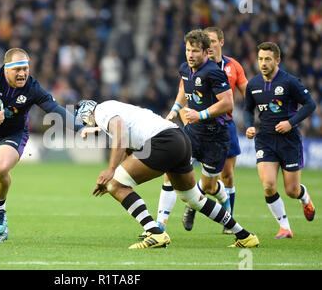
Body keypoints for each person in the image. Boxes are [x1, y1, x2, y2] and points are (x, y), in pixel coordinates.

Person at [77, 99, 259, 249]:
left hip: (163, 141)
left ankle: (155, 233)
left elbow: (121, 135)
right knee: (193, 198)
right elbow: (130, 148)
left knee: (115, 184)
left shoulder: (101, 111)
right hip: (179, 138)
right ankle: (244, 235)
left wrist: (111, 170)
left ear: (86, 114)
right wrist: (120, 171)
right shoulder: (116, 109)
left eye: (85, 121)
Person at [0, 48, 84, 244]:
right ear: (6, 69)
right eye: (17, 69)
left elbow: (54, 108)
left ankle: (0, 216)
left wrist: (79, 127)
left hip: (14, 134)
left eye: (25, 68)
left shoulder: (32, 86)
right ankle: (0, 226)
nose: (22, 73)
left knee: (0, 168)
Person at [155, 27, 249, 235]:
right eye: (188, 50)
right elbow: (184, 90)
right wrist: (174, 111)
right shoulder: (185, 69)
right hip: (192, 133)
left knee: (208, 186)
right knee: (170, 172)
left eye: (195, 51)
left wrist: (201, 114)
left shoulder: (214, 72)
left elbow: (228, 104)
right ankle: (159, 225)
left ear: (206, 52)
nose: (190, 55)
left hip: (215, 137)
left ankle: (222, 198)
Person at [244, 42, 316, 239]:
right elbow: (247, 109)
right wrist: (250, 125)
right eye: (260, 59)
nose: (263, 63)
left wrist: (290, 123)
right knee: (268, 185)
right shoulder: (254, 84)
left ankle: (304, 197)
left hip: (289, 141)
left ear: (277, 60)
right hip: (265, 140)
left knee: (292, 190)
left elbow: (310, 105)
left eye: (267, 59)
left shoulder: (290, 82)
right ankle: (285, 228)